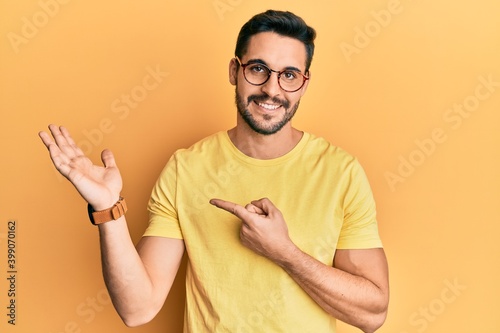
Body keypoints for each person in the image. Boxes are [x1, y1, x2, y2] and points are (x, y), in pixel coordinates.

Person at [39, 10, 389, 333]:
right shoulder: (185, 168)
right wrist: (108, 208)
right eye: (258, 69)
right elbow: (137, 308)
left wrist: (284, 252)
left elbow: (372, 314)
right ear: (235, 71)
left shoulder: (341, 172)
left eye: (289, 75)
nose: (271, 88)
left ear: (304, 84)